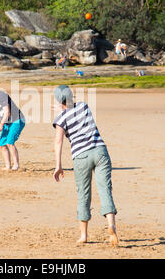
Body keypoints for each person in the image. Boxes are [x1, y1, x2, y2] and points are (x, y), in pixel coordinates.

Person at [52, 85, 119, 246]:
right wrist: (62, 108)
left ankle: (84, 235)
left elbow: (58, 141)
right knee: (105, 189)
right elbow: (73, 110)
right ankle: (111, 225)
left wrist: (58, 165)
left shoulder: (60, 119)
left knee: (83, 194)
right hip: (100, 150)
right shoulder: (84, 106)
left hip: (81, 156)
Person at [0, 79, 25, 170]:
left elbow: (7, 112)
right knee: (2, 144)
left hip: (17, 120)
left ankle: (16, 165)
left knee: (10, 142)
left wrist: (1, 125)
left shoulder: (2, 95)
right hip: (6, 122)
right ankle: (8, 166)